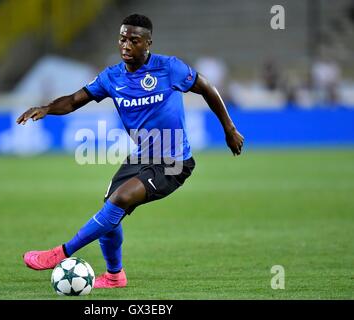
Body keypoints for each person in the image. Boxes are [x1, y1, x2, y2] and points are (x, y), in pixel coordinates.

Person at [16, 14, 244, 289]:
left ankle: (61, 253)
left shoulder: (169, 68)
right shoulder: (111, 77)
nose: (126, 45)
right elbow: (75, 100)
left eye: (133, 40)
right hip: (142, 156)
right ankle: (114, 276)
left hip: (174, 162)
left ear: (148, 43)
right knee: (109, 211)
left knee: (119, 200)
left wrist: (229, 129)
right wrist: (47, 108)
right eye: (122, 39)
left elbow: (206, 87)